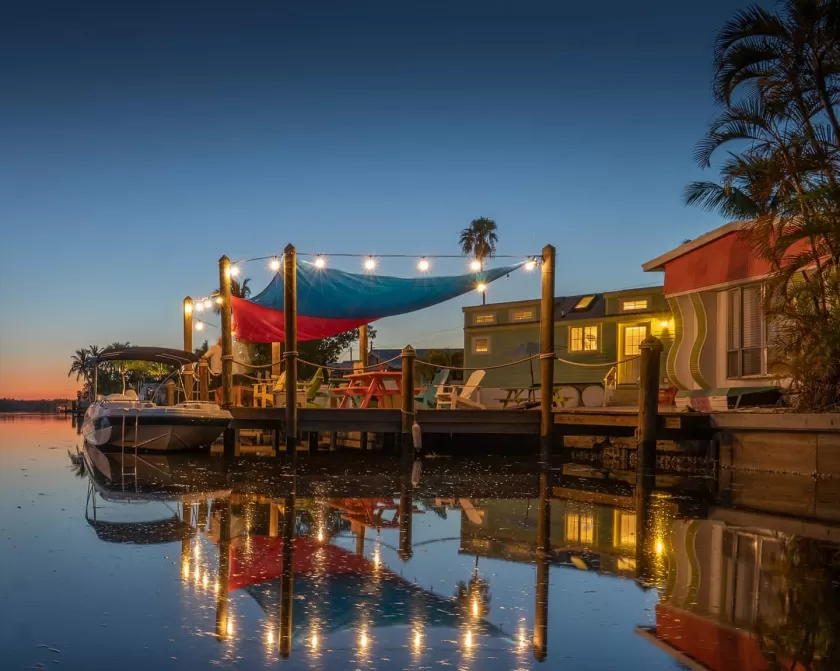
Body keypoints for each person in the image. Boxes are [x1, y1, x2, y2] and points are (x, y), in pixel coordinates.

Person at [203, 336, 223, 404]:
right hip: (215, 371)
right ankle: (218, 401)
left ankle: (219, 401)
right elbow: (206, 355)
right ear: (219, 340)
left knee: (221, 387)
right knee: (217, 387)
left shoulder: (225, 348)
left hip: (223, 371)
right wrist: (204, 358)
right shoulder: (214, 347)